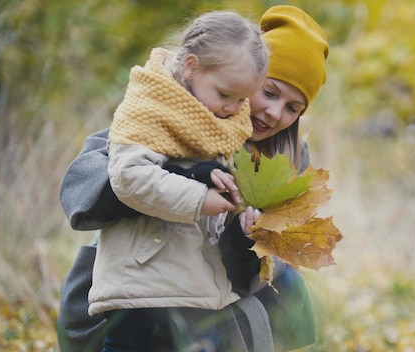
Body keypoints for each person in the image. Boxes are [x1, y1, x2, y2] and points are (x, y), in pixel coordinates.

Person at [57, 5, 329, 352]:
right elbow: (88, 187)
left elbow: (262, 270)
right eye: (270, 92)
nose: (275, 113)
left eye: (293, 107)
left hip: (217, 296)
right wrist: (188, 178)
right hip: (138, 285)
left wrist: (245, 236)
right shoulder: (169, 113)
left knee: (285, 285)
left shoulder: (288, 160)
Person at [88, 9, 267, 351]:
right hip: (140, 278)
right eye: (225, 94)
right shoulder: (149, 107)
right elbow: (129, 176)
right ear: (191, 67)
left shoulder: (220, 123)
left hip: (196, 281)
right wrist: (199, 199)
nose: (233, 108)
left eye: (242, 100)